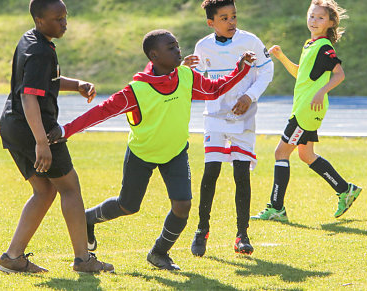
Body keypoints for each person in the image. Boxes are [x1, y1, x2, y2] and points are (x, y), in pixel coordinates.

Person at [47, 29, 256, 270]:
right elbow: (101, 112)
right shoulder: (136, 90)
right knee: (128, 206)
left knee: (183, 205)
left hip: (176, 152)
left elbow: (214, 89)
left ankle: (159, 253)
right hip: (141, 154)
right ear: (154, 56)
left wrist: (241, 70)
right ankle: (88, 218)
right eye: (171, 47)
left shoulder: (186, 76)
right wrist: (66, 130)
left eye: (177, 45)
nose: (178, 50)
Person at [0, 0, 114, 274]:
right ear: (40, 20)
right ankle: (84, 260)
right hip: (34, 128)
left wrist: (77, 85)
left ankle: (13, 258)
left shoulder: (32, 40)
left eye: (65, 17)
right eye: (57, 19)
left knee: (44, 189)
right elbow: (29, 97)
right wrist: (41, 142)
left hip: (13, 125)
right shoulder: (39, 51)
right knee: (70, 187)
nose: (64, 24)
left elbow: (44, 82)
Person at [251, 0, 362, 223]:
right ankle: (345, 189)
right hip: (305, 109)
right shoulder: (310, 44)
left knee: (280, 153)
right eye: (311, 15)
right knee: (306, 154)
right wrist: (281, 57)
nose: (314, 20)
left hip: (306, 112)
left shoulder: (324, 46)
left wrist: (322, 91)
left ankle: (276, 208)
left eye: (320, 18)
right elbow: (301, 74)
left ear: (330, 23)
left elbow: (339, 74)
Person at [183, 0, 273, 257]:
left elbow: (266, 70)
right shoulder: (203, 47)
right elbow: (196, 82)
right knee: (210, 172)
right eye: (224, 18)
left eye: (233, 16)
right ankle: (202, 230)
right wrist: (184, 68)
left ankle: (242, 235)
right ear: (211, 22)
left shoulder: (250, 42)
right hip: (214, 118)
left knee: (241, 174)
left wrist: (249, 96)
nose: (231, 21)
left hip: (244, 118)